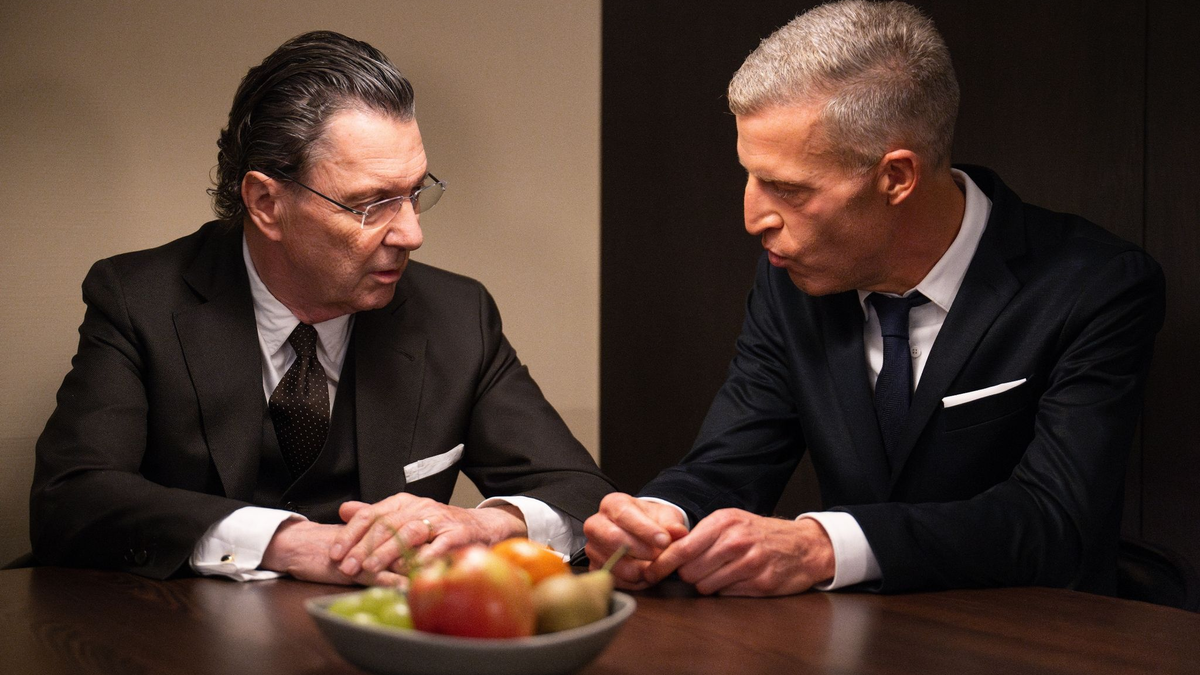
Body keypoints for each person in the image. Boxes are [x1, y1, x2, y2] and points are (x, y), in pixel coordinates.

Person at [584, 0, 1164, 597]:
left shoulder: (1096, 285)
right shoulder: (791, 279)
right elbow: (729, 464)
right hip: (849, 633)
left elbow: (1056, 521)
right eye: (750, 176)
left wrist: (822, 546)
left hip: (1039, 632)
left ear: (896, 178)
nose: (754, 217)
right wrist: (657, 518)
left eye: (788, 189)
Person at [30, 30, 614, 585]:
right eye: (372, 205)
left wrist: (486, 526)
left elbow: (582, 493)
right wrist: (290, 542)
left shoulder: (458, 317)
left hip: (381, 636)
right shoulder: (141, 299)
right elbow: (71, 499)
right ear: (265, 202)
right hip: (176, 632)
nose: (411, 234)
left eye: (415, 194)